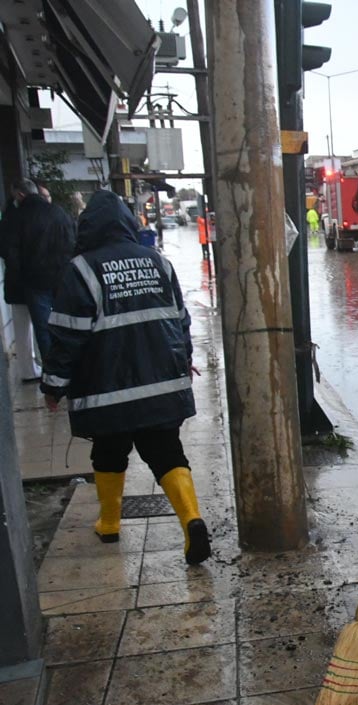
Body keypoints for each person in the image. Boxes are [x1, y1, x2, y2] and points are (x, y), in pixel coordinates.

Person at [39, 190, 210, 565]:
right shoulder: (158, 262)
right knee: (167, 453)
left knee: (108, 453)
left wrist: (53, 385)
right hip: (161, 386)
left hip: (107, 392)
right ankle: (191, 521)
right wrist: (184, 360)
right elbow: (180, 321)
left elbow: (67, 336)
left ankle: (110, 523)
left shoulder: (81, 270)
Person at [5, 178, 75, 372]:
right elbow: (73, 241)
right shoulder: (59, 212)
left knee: (43, 328)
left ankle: (52, 370)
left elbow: (10, 251)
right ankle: (70, 367)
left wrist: (19, 276)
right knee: (65, 324)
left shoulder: (17, 217)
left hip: (35, 281)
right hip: (62, 277)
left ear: (20, 194)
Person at [0, 180, 42, 381]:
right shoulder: (46, 215)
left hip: (17, 282)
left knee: (22, 327)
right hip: (41, 281)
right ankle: (44, 366)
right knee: (42, 325)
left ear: (19, 194)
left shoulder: (10, 218)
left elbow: (5, 250)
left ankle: (28, 370)